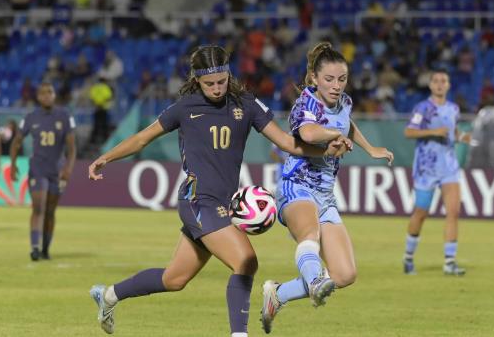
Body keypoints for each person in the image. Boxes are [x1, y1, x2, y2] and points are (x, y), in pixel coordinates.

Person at [87, 45, 350, 337]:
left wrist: (326, 148)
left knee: (174, 278)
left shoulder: (246, 104)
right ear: (197, 80)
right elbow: (141, 139)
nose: (216, 88)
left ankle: (108, 295)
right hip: (197, 200)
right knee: (246, 261)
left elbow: (288, 143)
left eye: (221, 81)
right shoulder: (185, 107)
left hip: (224, 203)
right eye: (209, 83)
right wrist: (106, 157)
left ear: (228, 74)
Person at [260, 42, 394, 334]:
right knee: (309, 236)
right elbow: (308, 133)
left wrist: (369, 148)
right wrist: (333, 133)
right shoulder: (305, 104)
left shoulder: (344, 102)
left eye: (342, 79)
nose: (336, 86)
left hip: (325, 195)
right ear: (314, 79)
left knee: (345, 275)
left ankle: (278, 294)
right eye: (329, 79)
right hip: (296, 186)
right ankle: (315, 279)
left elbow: (347, 123)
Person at [401, 68, 471, 276]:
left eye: (444, 81)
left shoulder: (454, 109)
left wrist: (461, 137)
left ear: (448, 85)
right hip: (426, 169)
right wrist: (433, 132)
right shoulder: (422, 108)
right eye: (436, 81)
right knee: (421, 213)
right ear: (431, 85)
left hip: (449, 167)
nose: (440, 84)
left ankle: (450, 263)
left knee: (453, 212)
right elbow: (409, 131)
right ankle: (408, 257)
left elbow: (453, 132)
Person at [10, 82, 77, 261]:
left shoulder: (64, 116)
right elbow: (16, 141)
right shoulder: (31, 117)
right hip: (37, 169)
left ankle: (46, 249)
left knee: (50, 211)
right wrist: (13, 164)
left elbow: (72, 148)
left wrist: (68, 168)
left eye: (50, 92)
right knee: (38, 207)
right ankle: (34, 248)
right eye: (43, 93)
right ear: (38, 97)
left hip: (56, 171)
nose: (46, 96)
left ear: (54, 95)